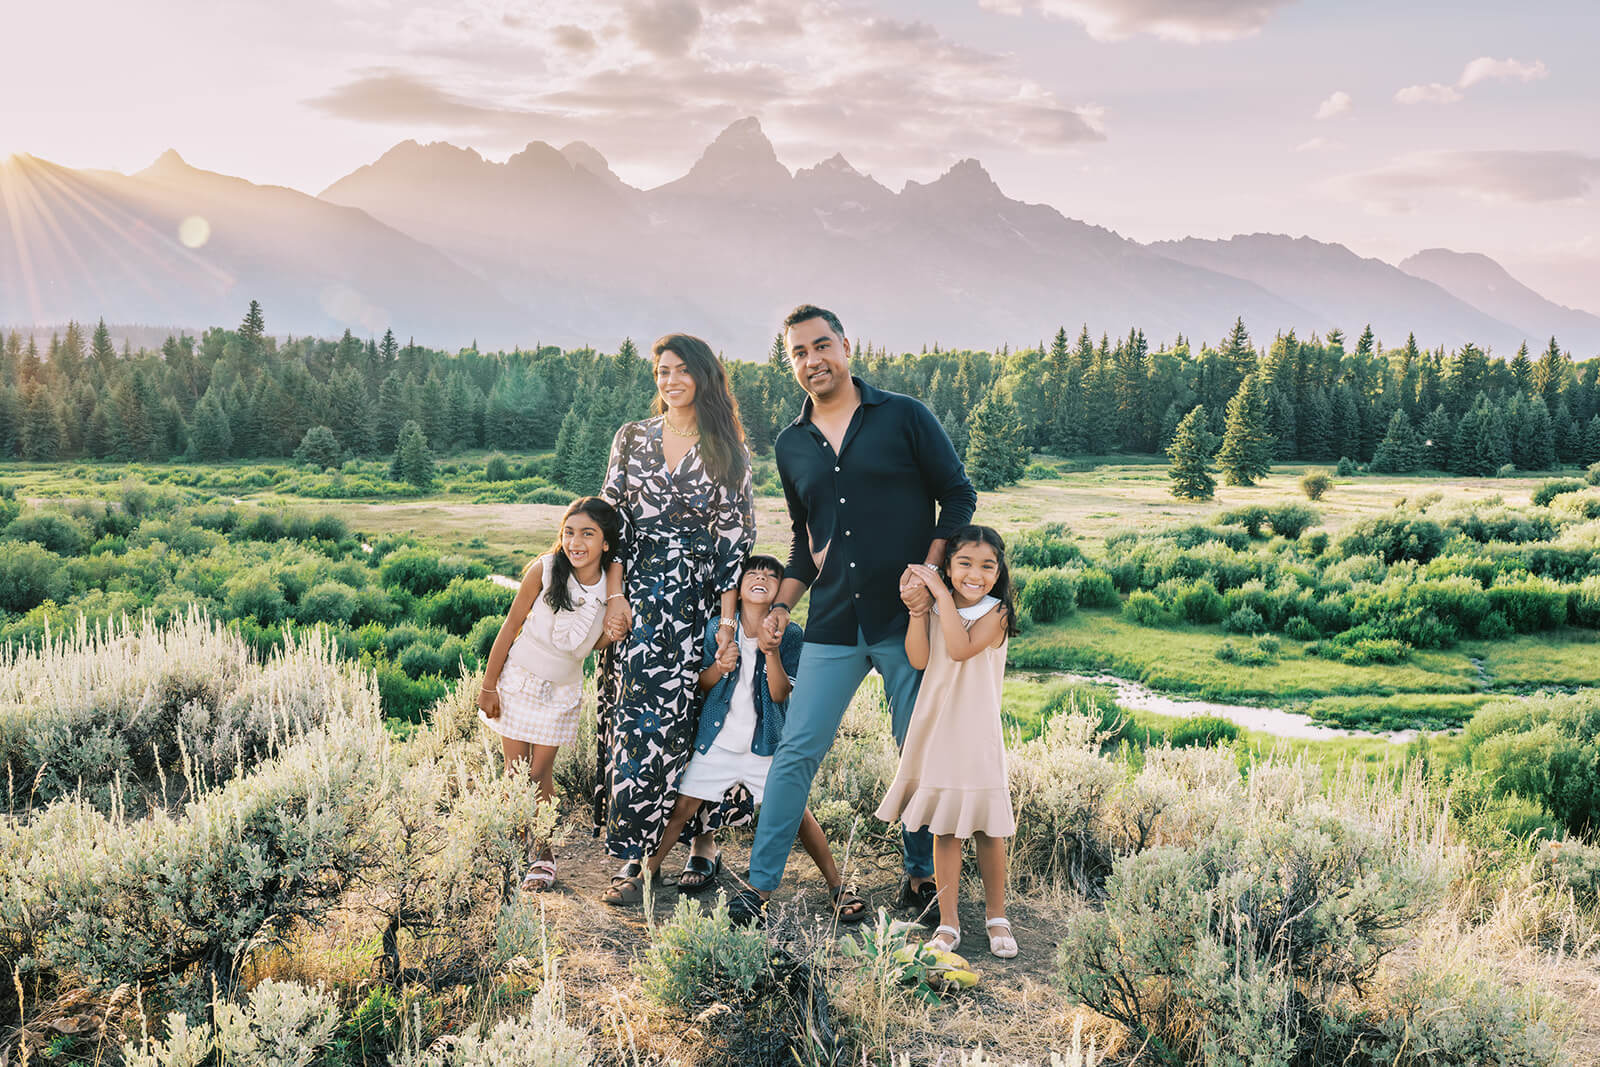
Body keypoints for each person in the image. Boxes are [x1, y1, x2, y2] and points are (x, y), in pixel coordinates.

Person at [737, 303, 977, 924]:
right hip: (834, 621)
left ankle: (921, 877)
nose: (812, 360)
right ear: (790, 363)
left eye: (822, 346)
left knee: (915, 747)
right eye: (798, 352)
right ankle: (759, 888)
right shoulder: (791, 444)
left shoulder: (905, 416)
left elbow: (958, 494)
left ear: (847, 346)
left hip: (908, 622)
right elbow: (804, 541)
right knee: (795, 751)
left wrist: (928, 572)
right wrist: (782, 605)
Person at [604, 555, 869, 920]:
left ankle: (837, 885)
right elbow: (702, 684)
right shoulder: (718, 628)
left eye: (771, 575)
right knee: (682, 808)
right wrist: (719, 666)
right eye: (753, 573)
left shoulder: (791, 635)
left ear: (781, 591)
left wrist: (770, 652)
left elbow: (780, 693)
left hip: (766, 745)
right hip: (719, 743)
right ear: (738, 589)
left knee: (797, 813)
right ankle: (645, 877)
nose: (761, 577)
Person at [596, 333, 756, 900]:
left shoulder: (727, 448)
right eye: (663, 371)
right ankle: (634, 851)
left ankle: (702, 843)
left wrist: (727, 625)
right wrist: (614, 595)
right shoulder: (631, 437)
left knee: (699, 719)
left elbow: (734, 542)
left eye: (682, 370)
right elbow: (611, 520)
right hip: (640, 600)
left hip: (698, 601)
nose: (670, 380)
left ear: (704, 377)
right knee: (639, 726)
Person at [877, 526, 1019, 958]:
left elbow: (960, 649)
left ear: (998, 573)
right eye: (965, 564)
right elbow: (920, 658)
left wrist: (939, 590)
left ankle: (997, 917)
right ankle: (948, 922)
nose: (976, 574)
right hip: (938, 728)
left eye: (987, 566)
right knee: (944, 828)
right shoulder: (936, 606)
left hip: (977, 732)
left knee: (988, 828)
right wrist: (919, 613)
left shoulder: (997, 612)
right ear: (951, 565)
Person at [477, 496, 627, 892]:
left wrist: (610, 636)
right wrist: (488, 685)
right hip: (519, 681)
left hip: (561, 691)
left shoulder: (610, 586)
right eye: (569, 532)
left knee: (540, 772)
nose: (576, 542)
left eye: (588, 534)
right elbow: (510, 626)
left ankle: (543, 851)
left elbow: (587, 643)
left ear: (605, 543)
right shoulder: (544, 570)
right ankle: (518, 846)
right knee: (515, 772)